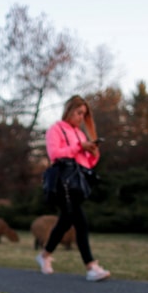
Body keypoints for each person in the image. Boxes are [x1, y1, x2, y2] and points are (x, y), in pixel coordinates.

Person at [36, 95, 111, 282]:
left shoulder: (80, 133)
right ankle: (91, 266)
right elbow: (55, 154)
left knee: (65, 222)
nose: (80, 117)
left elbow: (85, 164)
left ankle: (44, 255)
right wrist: (79, 147)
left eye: (83, 114)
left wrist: (93, 153)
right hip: (63, 184)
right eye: (79, 113)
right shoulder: (56, 129)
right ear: (69, 110)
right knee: (80, 222)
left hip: (76, 184)